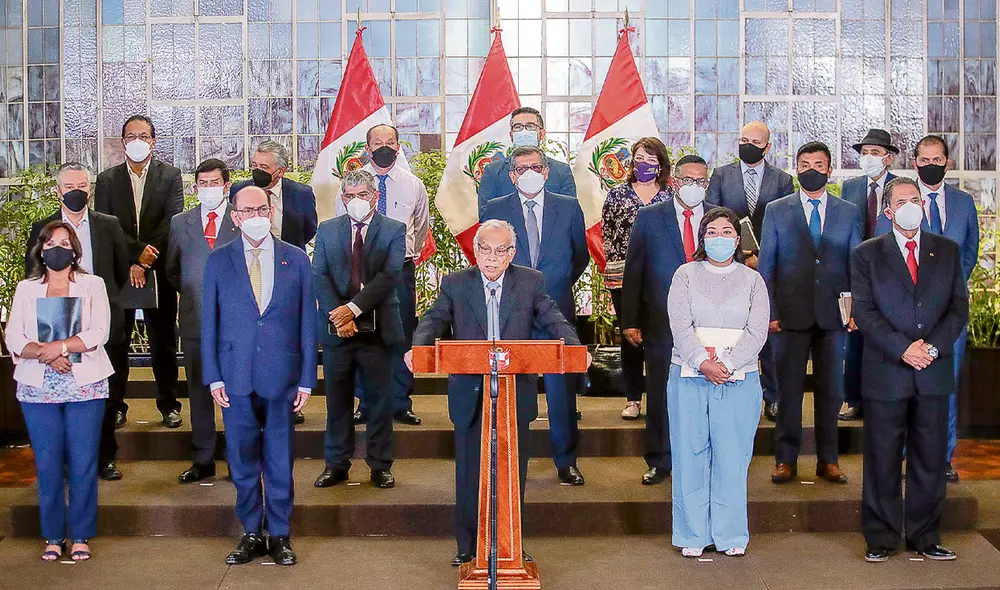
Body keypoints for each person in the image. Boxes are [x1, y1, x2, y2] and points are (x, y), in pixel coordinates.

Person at [404, 219, 587, 567]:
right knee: (470, 472)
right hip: (470, 394)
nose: (491, 257)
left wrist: (576, 348)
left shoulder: (531, 282)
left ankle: (510, 543)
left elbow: (554, 319)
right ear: (475, 251)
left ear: (512, 253)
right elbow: (432, 320)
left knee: (513, 472)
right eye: (484, 249)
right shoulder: (456, 283)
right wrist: (419, 347)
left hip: (515, 392)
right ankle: (468, 545)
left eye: (500, 250)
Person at [852, 177, 968, 563]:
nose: (911, 205)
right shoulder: (867, 254)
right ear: (888, 211)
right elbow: (864, 312)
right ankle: (881, 538)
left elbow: (957, 309)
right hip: (887, 370)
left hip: (933, 371)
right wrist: (904, 348)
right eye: (902, 200)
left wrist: (930, 348)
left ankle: (925, 535)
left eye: (915, 199)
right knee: (883, 457)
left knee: (930, 458)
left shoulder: (947, 251)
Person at [201, 186, 316, 566]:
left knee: (280, 459)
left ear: (271, 211)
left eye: (261, 209)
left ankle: (280, 534)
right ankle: (251, 531)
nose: (255, 215)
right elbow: (209, 324)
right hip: (234, 375)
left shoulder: (296, 259)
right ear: (234, 216)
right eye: (246, 210)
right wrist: (213, 377)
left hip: (282, 376)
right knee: (242, 457)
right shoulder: (218, 261)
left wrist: (306, 379)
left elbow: (307, 323)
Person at [6, 221, 114, 562]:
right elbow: (14, 337)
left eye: (65, 242)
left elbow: (100, 331)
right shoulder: (26, 289)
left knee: (83, 463)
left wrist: (61, 348)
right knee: (48, 464)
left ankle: (80, 535)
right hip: (38, 389)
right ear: (41, 248)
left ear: (75, 250)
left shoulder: (92, 284)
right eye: (51, 242)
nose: (58, 248)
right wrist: (46, 354)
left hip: (86, 385)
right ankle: (53, 536)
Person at [481, 146, 589, 485]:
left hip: (556, 311)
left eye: (536, 166)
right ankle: (513, 458)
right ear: (512, 176)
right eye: (522, 168)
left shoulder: (568, 207)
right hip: (511, 314)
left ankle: (566, 460)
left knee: (561, 392)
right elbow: (489, 257)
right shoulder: (496, 209)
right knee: (515, 391)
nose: (530, 172)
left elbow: (580, 258)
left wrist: (549, 290)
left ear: (546, 172)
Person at [874, 135, 980, 483]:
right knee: (904, 384)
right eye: (924, 159)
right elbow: (879, 253)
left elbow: (969, 255)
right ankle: (904, 454)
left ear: (947, 163)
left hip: (948, 315)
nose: (931, 164)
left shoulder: (964, 204)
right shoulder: (899, 200)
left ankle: (942, 457)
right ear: (914, 162)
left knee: (944, 386)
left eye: (938, 159)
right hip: (903, 314)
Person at [667, 206, 769, 558]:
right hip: (689, 377)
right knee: (689, 452)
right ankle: (692, 534)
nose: (720, 238)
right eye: (712, 231)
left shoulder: (753, 280)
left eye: (727, 232)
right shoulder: (685, 275)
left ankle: (730, 534)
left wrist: (725, 363)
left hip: (738, 378)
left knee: (732, 455)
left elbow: (757, 331)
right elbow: (679, 325)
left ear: (738, 240)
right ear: (702, 238)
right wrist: (702, 362)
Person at [758, 141, 862, 485]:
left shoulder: (848, 211)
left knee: (831, 390)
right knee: (788, 391)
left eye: (818, 164)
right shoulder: (777, 209)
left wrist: (853, 310)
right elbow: (767, 265)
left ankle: (828, 460)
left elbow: (855, 265)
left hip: (834, 317)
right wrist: (769, 310)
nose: (811, 169)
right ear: (796, 168)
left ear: (829, 170)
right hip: (788, 316)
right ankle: (785, 459)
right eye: (804, 164)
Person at [25, 163, 129, 482]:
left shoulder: (108, 225)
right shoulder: (42, 227)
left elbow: (120, 270)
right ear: (58, 190)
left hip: (102, 322)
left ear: (90, 189)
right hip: (55, 325)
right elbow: (31, 274)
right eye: (70, 186)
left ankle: (105, 459)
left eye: (82, 186)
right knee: (64, 396)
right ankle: (68, 462)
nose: (76, 192)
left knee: (106, 395)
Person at [620, 154, 711, 486]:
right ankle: (660, 459)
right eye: (688, 180)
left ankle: (702, 459)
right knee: (660, 393)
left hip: (709, 324)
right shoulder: (649, 217)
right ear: (675, 182)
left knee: (703, 394)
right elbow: (635, 271)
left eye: (701, 181)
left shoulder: (717, 218)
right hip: (661, 323)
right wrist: (630, 320)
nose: (694, 187)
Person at [314, 170, 406, 489]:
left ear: (374, 196)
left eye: (361, 195)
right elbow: (319, 275)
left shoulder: (394, 229)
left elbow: (390, 275)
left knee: (379, 401)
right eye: (349, 196)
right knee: (336, 400)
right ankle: (336, 464)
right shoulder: (327, 230)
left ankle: (380, 465)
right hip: (337, 331)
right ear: (342, 198)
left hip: (378, 329)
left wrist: (351, 310)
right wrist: (339, 317)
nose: (355, 201)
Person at [335, 124, 429, 427]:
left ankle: (401, 402)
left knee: (400, 336)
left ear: (399, 146)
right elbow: (341, 225)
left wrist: (403, 253)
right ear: (368, 147)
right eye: (377, 143)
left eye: (390, 142)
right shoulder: (351, 184)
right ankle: (366, 402)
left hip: (399, 270)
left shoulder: (413, 184)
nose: (384, 147)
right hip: (362, 268)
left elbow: (421, 225)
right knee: (365, 336)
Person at [94, 114, 183, 431]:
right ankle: (116, 406)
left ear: (153, 141)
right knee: (116, 342)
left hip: (159, 268)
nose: (137, 141)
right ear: (122, 142)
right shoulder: (106, 180)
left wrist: (145, 260)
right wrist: (133, 255)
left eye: (143, 135)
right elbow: (105, 223)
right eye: (130, 135)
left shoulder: (170, 176)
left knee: (164, 343)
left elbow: (173, 219)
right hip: (119, 272)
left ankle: (169, 405)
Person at [706, 121, 794, 422]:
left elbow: (787, 223)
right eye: (743, 139)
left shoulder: (782, 179)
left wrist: (763, 257)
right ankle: (725, 388)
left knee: (767, 332)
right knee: (729, 329)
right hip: (728, 264)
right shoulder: (720, 175)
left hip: (768, 270)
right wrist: (736, 254)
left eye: (755, 141)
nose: (748, 145)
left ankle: (773, 397)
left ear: (767, 147)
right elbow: (712, 218)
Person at [232, 141, 319, 424]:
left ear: (280, 171)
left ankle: (290, 399)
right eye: (254, 165)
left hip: (287, 273)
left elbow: (308, 229)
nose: (257, 171)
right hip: (251, 272)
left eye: (264, 167)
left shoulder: (301, 194)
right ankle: (252, 395)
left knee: (288, 337)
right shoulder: (240, 191)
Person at [166, 158, 240, 484]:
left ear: (227, 186)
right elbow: (171, 271)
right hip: (195, 321)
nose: (208, 189)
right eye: (202, 184)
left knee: (236, 392)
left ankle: (239, 460)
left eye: (214, 183)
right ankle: (203, 458)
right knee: (198, 390)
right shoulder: (180, 223)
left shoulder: (241, 220)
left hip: (236, 325)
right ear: (195, 187)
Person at [601, 137, 674, 421]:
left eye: (651, 158)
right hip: (622, 277)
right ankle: (633, 398)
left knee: (659, 337)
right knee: (630, 337)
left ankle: (662, 394)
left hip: (661, 278)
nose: (644, 163)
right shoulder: (617, 194)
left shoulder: (670, 196)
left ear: (661, 164)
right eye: (639, 157)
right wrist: (617, 266)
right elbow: (607, 234)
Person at [839, 129, 898, 422]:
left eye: (874, 153)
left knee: (887, 340)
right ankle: (853, 399)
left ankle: (881, 399)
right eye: (864, 153)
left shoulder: (901, 187)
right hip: (856, 273)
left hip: (890, 277)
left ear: (887, 158)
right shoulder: (850, 188)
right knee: (855, 340)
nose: (868, 158)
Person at [477, 107, 577, 216]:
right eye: (518, 127)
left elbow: (570, 213)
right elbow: (486, 215)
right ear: (511, 135)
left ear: (542, 134)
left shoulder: (561, 170)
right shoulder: (493, 171)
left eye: (530, 126)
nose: (524, 131)